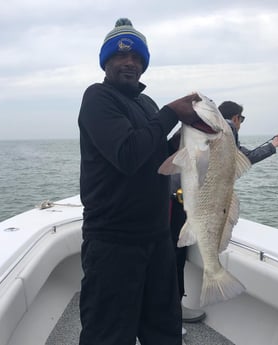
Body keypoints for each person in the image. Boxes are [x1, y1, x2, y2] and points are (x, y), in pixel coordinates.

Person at [78, 18, 200, 345]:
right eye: (120, 56)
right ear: (106, 62)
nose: (129, 63)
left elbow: (158, 156)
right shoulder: (98, 99)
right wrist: (172, 112)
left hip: (157, 240)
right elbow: (128, 154)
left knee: (164, 332)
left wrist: (191, 136)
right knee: (108, 335)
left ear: (144, 64)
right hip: (113, 244)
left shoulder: (146, 105)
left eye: (137, 57)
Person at [169, 100, 278, 328]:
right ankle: (172, 311)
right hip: (179, 203)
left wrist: (270, 146)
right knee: (173, 258)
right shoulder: (223, 129)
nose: (238, 125)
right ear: (236, 118)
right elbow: (242, 157)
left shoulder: (213, 133)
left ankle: (172, 308)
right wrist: (271, 146)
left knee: (173, 256)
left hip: (182, 201)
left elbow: (237, 160)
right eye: (241, 119)